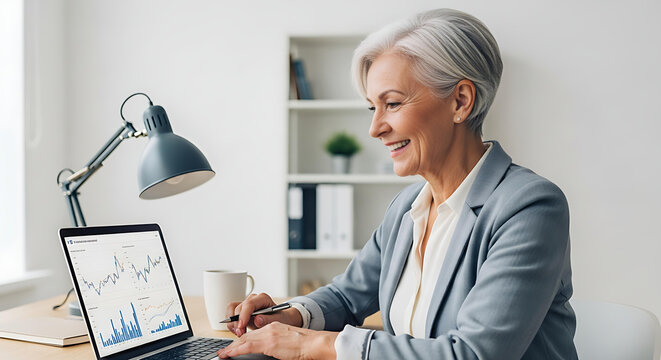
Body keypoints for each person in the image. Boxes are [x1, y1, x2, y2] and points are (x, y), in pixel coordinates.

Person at [218, 8, 578, 360]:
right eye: (372, 108)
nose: (375, 129)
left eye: (392, 103)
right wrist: (288, 316)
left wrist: (312, 345)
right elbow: (347, 296)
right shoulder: (408, 208)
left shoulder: (530, 208)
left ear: (460, 101)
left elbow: (473, 353)